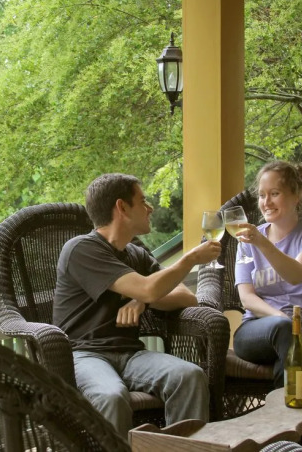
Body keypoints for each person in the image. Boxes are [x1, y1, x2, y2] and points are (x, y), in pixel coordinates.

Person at [52, 173, 221, 438]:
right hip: (84, 354)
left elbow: (186, 297)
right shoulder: (81, 249)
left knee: (189, 376)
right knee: (111, 396)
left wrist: (141, 301)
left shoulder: (136, 254)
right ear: (122, 207)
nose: (150, 208)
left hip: (131, 354)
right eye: (142, 201)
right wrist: (189, 260)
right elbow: (149, 288)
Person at [231, 160, 302, 387]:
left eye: (274, 193)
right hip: (257, 329)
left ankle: (289, 410)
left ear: (296, 196)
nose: (266, 202)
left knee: (287, 363)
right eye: (261, 195)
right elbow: (247, 298)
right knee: (284, 331)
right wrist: (279, 317)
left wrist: (262, 243)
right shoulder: (249, 240)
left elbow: (296, 274)